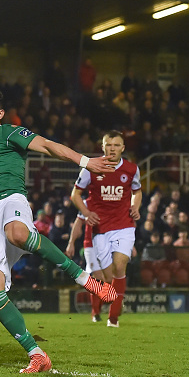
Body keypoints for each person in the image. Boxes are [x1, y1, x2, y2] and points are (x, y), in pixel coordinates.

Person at [0, 87, 116, 374]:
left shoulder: (9, 133)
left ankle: (83, 278)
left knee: (18, 233)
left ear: (0, 114)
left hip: (9, 200)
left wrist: (86, 162)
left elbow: (46, 145)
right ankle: (36, 354)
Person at [71, 129, 142, 328]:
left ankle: (113, 318)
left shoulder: (131, 169)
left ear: (122, 148)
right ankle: (97, 311)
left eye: (116, 145)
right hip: (100, 230)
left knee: (120, 267)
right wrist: (86, 213)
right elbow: (75, 195)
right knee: (104, 276)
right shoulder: (91, 168)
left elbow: (137, 191)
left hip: (124, 226)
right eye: (108, 145)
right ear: (102, 147)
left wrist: (135, 206)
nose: (112, 149)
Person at [65, 210, 107, 322]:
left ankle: (98, 310)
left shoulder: (111, 202)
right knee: (98, 278)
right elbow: (78, 222)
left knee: (107, 279)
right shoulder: (86, 204)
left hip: (108, 244)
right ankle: (95, 313)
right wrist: (71, 242)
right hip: (91, 245)